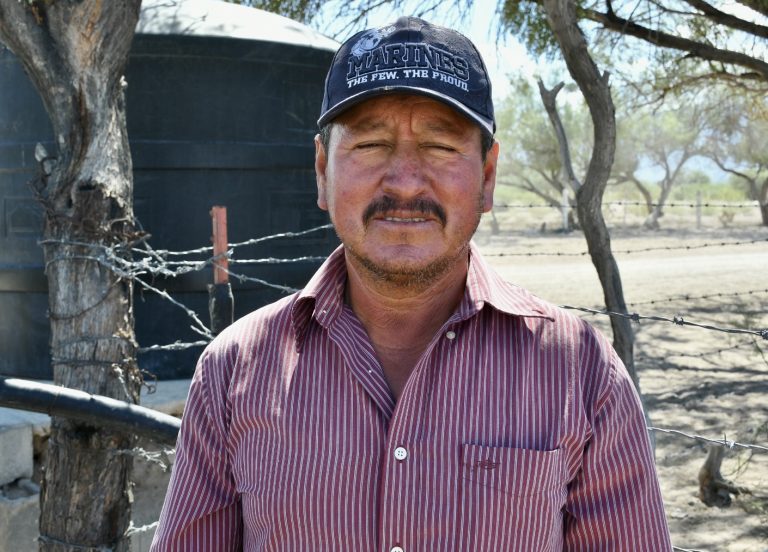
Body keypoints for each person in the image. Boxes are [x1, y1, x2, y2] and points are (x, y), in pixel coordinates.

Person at [151, 16, 672, 551]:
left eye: (441, 147)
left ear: (487, 177)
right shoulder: (233, 372)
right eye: (371, 144)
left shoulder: (581, 373)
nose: (404, 180)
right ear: (322, 171)